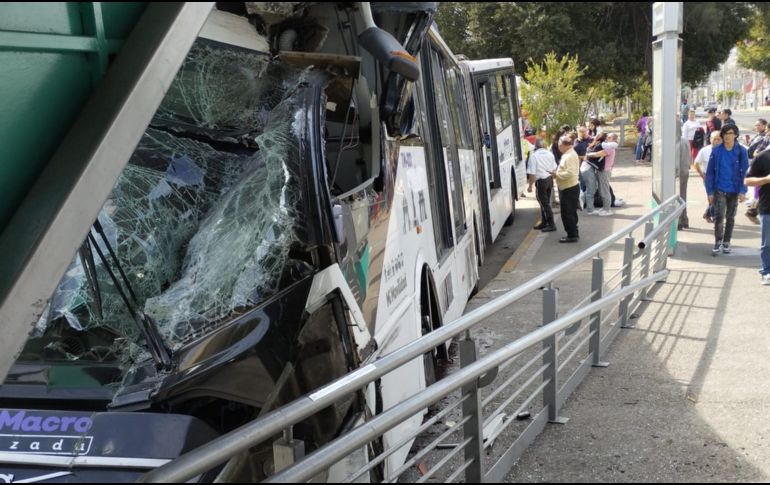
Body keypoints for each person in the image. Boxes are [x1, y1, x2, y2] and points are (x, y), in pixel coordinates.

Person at [706, 124, 749, 255]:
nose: (727, 136)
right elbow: (710, 173)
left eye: (730, 133)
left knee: (730, 217)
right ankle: (718, 241)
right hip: (719, 189)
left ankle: (726, 242)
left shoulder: (741, 151)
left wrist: (743, 191)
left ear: (735, 135)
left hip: (734, 190)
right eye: (724, 133)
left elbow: (746, 172)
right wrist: (709, 192)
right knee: (719, 217)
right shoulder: (717, 151)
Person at [744, 149, 770, 285]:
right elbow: (747, 181)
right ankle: (767, 272)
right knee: (768, 243)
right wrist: (766, 179)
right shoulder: (763, 157)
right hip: (768, 207)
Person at [552, 135, 581, 243]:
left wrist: (557, 174)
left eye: (559, 145)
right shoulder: (568, 154)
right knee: (570, 212)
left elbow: (570, 173)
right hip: (568, 186)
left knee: (568, 212)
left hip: (569, 187)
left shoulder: (569, 156)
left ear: (564, 145)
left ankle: (572, 235)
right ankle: (573, 232)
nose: (558, 147)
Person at [527, 137, 557, 232]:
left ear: (535, 146)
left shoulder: (534, 156)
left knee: (544, 203)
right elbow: (554, 169)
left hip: (541, 182)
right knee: (545, 202)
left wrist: (530, 186)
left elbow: (532, 173)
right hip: (549, 180)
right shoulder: (550, 154)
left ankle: (551, 224)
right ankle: (544, 222)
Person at [694, 131, 722, 223]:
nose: (717, 141)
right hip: (708, 177)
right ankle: (715, 217)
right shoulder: (704, 150)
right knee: (713, 197)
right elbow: (696, 163)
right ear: (710, 140)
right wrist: (702, 175)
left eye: (719, 139)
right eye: (715, 139)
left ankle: (708, 213)